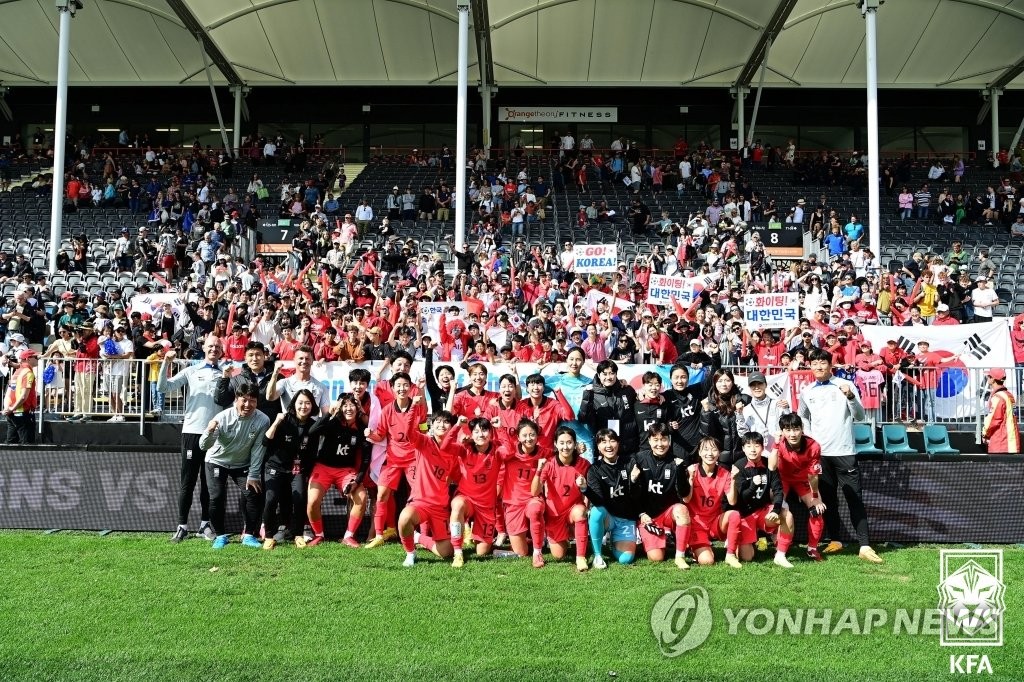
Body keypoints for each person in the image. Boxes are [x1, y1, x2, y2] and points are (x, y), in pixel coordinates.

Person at [797, 348, 883, 563]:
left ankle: (864, 545)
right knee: (828, 501)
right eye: (814, 363)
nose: (818, 366)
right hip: (820, 455)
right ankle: (835, 540)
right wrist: (810, 441)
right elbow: (803, 417)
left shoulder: (845, 385)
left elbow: (860, 416)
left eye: (822, 363)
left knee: (854, 499)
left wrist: (851, 397)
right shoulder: (807, 391)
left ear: (830, 365)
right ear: (810, 366)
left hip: (845, 452)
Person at [160, 335, 228, 543]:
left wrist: (227, 378)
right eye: (211, 346)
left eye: (217, 346)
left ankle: (205, 525)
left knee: (209, 484)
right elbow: (164, 387)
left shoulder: (225, 373)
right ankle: (182, 526)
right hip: (191, 431)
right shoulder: (191, 370)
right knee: (187, 482)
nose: (214, 349)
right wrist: (166, 362)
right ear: (204, 348)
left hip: (214, 434)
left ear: (221, 350)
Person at [198, 383, 271, 550]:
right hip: (217, 461)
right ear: (236, 400)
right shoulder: (222, 417)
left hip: (242, 464)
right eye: (243, 400)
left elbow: (258, 449)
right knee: (216, 496)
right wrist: (209, 431)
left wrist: (253, 475)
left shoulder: (263, 420)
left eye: (252, 401)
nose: (247, 405)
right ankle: (221, 536)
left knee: (254, 494)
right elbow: (203, 446)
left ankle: (249, 535)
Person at [365, 372, 425, 548]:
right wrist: (370, 435)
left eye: (405, 385)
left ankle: (422, 535)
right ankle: (378, 535)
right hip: (392, 461)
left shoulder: (417, 407)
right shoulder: (387, 410)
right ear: (392, 388)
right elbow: (380, 435)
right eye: (398, 385)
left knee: (419, 496)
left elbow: (423, 428)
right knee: (382, 494)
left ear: (410, 387)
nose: (402, 388)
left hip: (413, 459)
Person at [394, 409, 461, 567]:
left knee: (446, 552)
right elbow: (408, 431)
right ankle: (410, 553)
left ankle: (418, 538)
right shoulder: (424, 442)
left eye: (446, 422)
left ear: (451, 427)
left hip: (440, 507)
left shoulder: (455, 452)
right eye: (438, 421)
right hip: (420, 503)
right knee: (404, 518)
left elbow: (456, 477)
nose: (441, 425)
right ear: (432, 424)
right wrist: (413, 408)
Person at [305, 393, 371, 547]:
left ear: (357, 408)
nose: (349, 408)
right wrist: (329, 413)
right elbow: (312, 431)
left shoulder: (362, 428)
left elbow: (366, 458)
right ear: (340, 407)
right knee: (313, 501)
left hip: (346, 471)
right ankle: (319, 535)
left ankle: (349, 536)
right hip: (323, 467)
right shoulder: (333, 422)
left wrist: (358, 480)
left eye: (352, 405)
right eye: (345, 405)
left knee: (362, 497)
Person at [260, 389, 320, 548]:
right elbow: (265, 442)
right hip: (275, 467)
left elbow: (313, 452)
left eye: (307, 403)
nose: (304, 406)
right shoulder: (284, 419)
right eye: (300, 402)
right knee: (271, 499)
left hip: (297, 470)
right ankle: (269, 536)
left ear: (312, 405)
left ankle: (298, 534)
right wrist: (276, 422)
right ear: (294, 404)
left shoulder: (313, 425)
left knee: (300, 499)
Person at [630, 423, 691, 570]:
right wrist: (641, 513)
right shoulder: (639, 459)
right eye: (655, 440)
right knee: (656, 558)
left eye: (663, 439)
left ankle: (680, 556)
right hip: (648, 516)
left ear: (669, 441)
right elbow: (631, 495)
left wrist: (681, 472)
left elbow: (684, 494)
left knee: (682, 510)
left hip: (667, 514)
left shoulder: (677, 461)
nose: (660, 444)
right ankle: (646, 536)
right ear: (649, 441)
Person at [528, 426, 590, 571]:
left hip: (573, 510)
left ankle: (580, 557)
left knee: (581, 512)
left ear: (575, 444)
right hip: (554, 514)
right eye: (561, 443)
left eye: (569, 443)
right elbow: (534, 492)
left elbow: (590, 492)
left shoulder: (584, 464)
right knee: (558, 555)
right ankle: (564, 538)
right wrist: (538, 470)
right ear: (555, 444)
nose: (565, 447)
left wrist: (584, 487)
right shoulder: (549, 464)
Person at [768, 413, 826, 562]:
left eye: (796, 429)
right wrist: (775, 444)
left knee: (817, 511)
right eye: (787, 430)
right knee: (776, 507)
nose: (792, 434)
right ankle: (777, 540)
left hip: (803, 480)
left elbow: (813, 476)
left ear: (802, 429)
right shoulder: (778, 443)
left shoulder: (814, 446)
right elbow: (771, 466)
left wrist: (815, 497)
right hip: (783, 479)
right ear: (782, 431)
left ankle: (812, 548)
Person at [450, 417, 507, 567]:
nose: (480, 434)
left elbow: (510, 452)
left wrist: (500, 428)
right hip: (467, 498)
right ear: (471, 434)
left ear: (490, 433)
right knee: (457, 505)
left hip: (486, 505)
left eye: (484, 430)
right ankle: (458, 552)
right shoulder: (465, 448)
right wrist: (457, 427)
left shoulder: (496, 449)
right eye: (476, 431)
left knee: (482, 551)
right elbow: (445, 446)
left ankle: (482, 539)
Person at [732, 432, 794, 568]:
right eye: (748, 446)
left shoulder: (769, 464)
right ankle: (743, 541)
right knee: (747, 557)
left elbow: (778, 490)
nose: (753, 449)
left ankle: (780, 555)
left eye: (757, 445)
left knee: (786, 515)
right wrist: (753, 485)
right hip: (745, 515)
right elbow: (742, 498)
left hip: (763, 511)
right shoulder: (738, 466)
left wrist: (776, 509)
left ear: (762, 447)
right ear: (743, 448)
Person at [683, 437, 742, 568]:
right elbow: (686, 499)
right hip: (697, 524)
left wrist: (733, 479)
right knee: (707, 561)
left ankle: (730, 555)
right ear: (699, 452)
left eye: (714, 449)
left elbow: (732, 501)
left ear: (719, 453)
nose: (710, 453)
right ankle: (693, 548)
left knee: (734, 515)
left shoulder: (724, 473)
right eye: (706, 449)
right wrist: (691, 480)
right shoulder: (691, 470)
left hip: (715, 522)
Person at [585, 429, 638, 568]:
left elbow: (636, 495)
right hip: (607, 517)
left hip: (626, 518)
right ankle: (597, 555)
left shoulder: (630, 463)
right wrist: (585, 489)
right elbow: (598, 501)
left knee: (625, 559)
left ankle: (613, 539)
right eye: (603, 442)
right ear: (598, 447)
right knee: (597, 511)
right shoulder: (594, 469)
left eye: (612, 440)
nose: (608, 445)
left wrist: (633, 480)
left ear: (618, 443)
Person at [501, 418, 550, 557]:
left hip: (533, 498)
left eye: (532, 434)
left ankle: (537, 552)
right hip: (513, 502)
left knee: (535, 509)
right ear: (518, 437)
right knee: (521, 553)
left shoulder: (545, 452)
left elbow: (562, 455)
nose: (528, 438)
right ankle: (527, 540)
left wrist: (577, 449)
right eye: (524, 435)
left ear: (537, 436)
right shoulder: (510, 452)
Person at [578, 360, 640, 453]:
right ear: (599, 375)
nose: (608, 377)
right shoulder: (592, 393)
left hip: (628, 446)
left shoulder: (627, 390)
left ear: (616, 374)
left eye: (612, 373)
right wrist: (587, 398)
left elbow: (638, 409)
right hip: (606, 447)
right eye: (605, 374)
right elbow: (583, 419)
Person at [699, 369, 748, 466]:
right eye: (720, 381)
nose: (724, 384)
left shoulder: (744, 400)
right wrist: (706, 412)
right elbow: (706, 434)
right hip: (720, 458)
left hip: (742, 456)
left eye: (727, 380)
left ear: (733, 382)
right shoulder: (709, 404)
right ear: (714, 383)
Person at [266, 345, 330, 414]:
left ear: (312, 361)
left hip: (313, 424)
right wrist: (275, 374)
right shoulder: (285, 383)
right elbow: (270, 397)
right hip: (289, 423)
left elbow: (325, 415)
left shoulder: (321, 387)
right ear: (294, 360)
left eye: (307, 358)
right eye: (301, 358)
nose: (304, 361)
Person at [982, 368, 1020, 454]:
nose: (987, 378)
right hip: (1012, 442)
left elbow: (994, 419)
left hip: (1001, 443)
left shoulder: (998, 397)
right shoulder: (1009, 395)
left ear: (993, 379)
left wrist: (985, 434)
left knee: (996, 467)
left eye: (988, 376)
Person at [4, 348, 37, 443]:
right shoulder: (28, 373)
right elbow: (23, 396)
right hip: (22, 413)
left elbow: (8, 393)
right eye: (35, 357)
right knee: (27, 444)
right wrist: (12, 409)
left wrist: (8, 408)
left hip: (11, 413)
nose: (37, 358)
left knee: (10, 444)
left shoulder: (16, 372)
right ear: (28, 359)